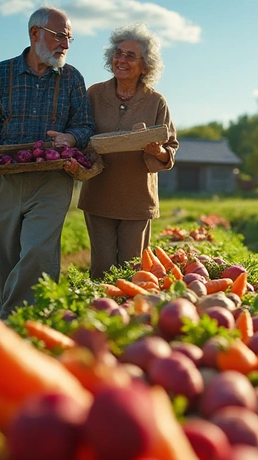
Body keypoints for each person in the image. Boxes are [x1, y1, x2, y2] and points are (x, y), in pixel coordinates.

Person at [0, 6, 94, 319]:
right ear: (34, 33)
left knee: (39, 251)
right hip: (5, 177)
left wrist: (71, 137)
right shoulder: (1, 74)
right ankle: (18, 325)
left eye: (69, 38)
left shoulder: (72, 79)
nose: (66, 45)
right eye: (60, 36)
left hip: (52, 180)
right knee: (7, 258)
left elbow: (84, 126)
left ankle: (15, 321)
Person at [77, 23, 178, 279]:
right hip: (99, 196)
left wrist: (157, 152)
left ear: (145, 66)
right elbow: (80, 134)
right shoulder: (94, 94)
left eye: (130, 56)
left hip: (137, 201)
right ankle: (99, 316)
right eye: (118, 53)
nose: (121, 60)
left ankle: (129, 317)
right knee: (102, 270)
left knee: (133, 271)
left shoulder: (156, 101)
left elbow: (171, 150)